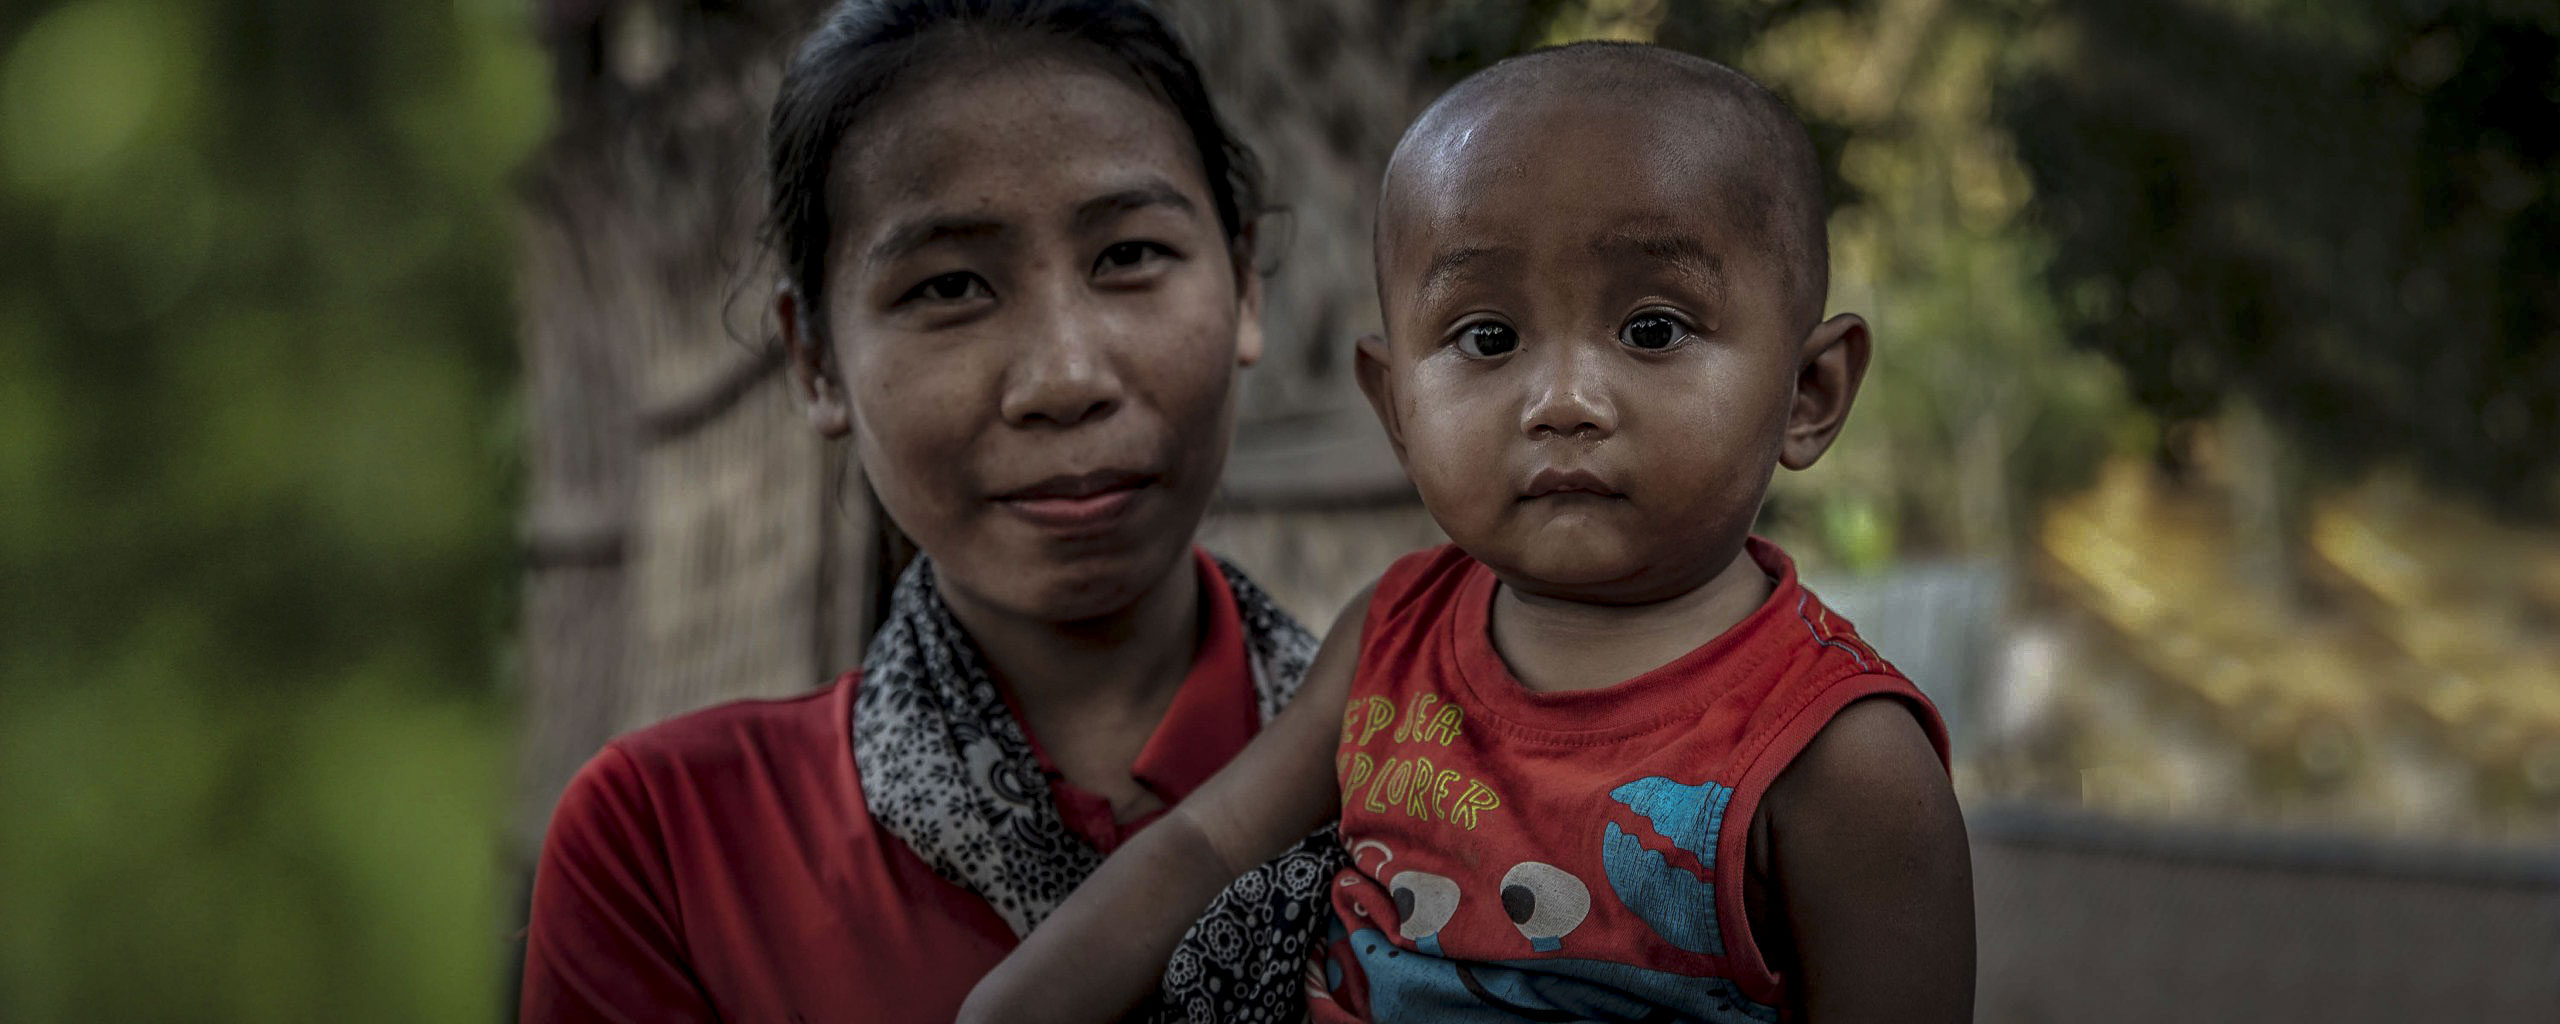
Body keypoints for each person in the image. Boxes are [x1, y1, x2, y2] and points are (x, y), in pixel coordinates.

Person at [965, 42, 1975, 1023]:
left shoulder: (1840, 757)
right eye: (1487, 337)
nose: (1563, 400)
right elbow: (1204, 846)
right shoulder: (1391, 635)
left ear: (1809, 391)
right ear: (1396, 409)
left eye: (1652, 329)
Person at [516, 1, 1329, 1019]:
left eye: (1127, 255)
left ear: (1244, 284)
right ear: (815, 359)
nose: (1065, 377)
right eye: (950, 286)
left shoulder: (1439, 787)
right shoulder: (669, 845)